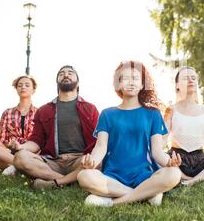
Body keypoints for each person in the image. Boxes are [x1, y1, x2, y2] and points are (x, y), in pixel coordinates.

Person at [77, 61, 181, 207]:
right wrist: (92, 162)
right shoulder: (107, 114)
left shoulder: (153, 114)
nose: (131, 82)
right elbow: (100, 147)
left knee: (174, 173)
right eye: (125, 78)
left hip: (143, 175)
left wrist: (169, 162)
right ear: (118, 84)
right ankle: (145, 194)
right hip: (112, 176)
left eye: (135, 78)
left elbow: (157, 152)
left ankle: (112, 202)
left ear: (142, 84)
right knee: (84, 176)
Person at [9, 65, 100, 189]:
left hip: (80, 160)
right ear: (57, 82)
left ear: (78, 83)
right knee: (20, 158)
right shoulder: (44, 110)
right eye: (61, 74)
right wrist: (21, 147)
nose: (66, 75)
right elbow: (36, 141)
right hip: (53, 162)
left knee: (99, 160)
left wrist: (91, 158)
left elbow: (98, 141)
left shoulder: (90, 109)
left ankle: (54, 182)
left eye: (70, 73)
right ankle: (68, 181)